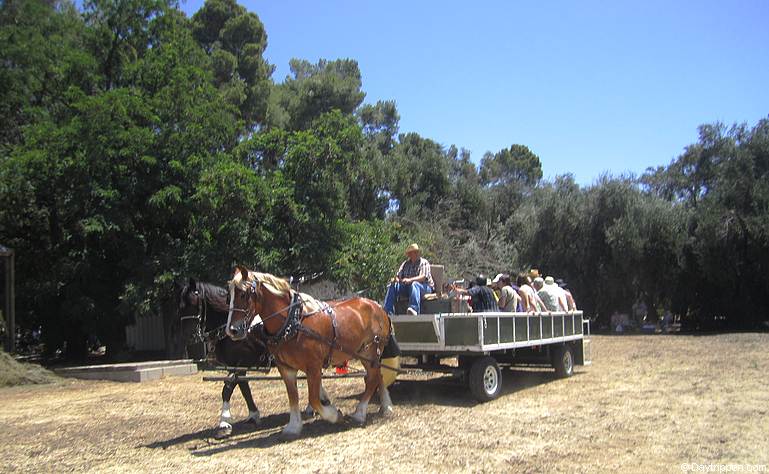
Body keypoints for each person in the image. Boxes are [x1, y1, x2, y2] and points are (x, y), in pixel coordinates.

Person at [383, 243, 434, 315]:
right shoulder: (405, 264)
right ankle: (387, 311)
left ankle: (414, 309)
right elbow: (398, 275)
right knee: (393, 286)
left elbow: (423, 277)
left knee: (414, 284)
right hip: (408, 287)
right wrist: (397, 279)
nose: (415, 254)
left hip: (425, 287)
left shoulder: (423, 262)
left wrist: (410, 280)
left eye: (416, 252)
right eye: (412, 253)